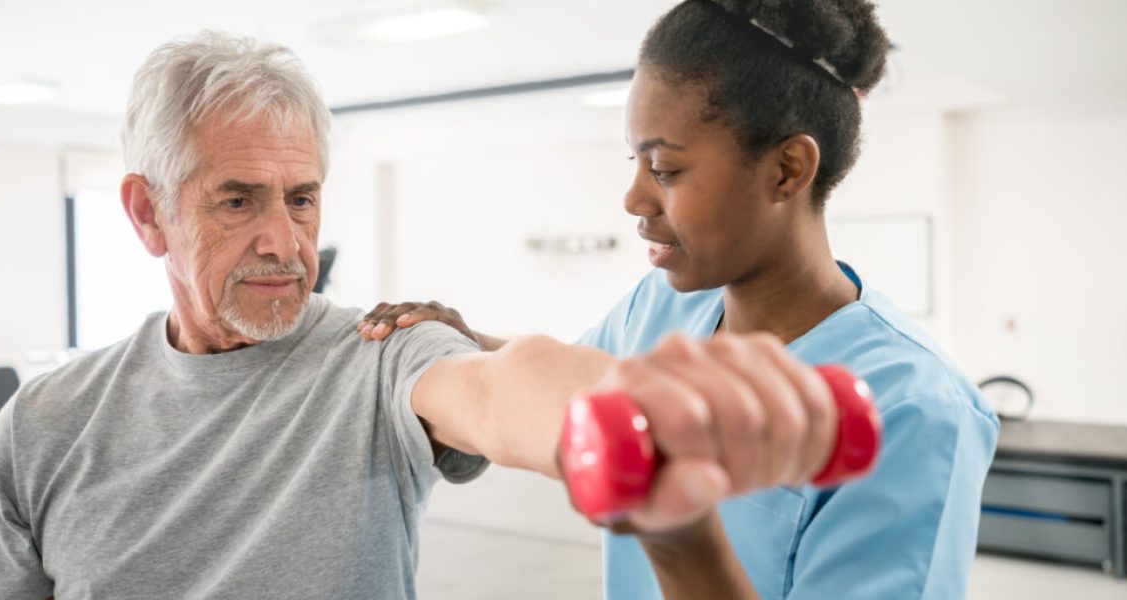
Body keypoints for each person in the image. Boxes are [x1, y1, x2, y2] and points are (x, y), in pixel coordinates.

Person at [0, 31, 843, 600]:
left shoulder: (378, 352)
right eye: (237, 201)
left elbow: (505, 388)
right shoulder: (48, 425)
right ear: (147, 213)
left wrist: (652, 412)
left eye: (302, 198)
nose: (282, 241)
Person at [358, 1, 1001, 598]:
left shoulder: (913, 408)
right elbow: (570, 379)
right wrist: (459, 342)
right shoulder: (660, 306)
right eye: (636, 164)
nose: (634, 200)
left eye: (664, 169)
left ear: (787, 170)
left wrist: (680, 536)